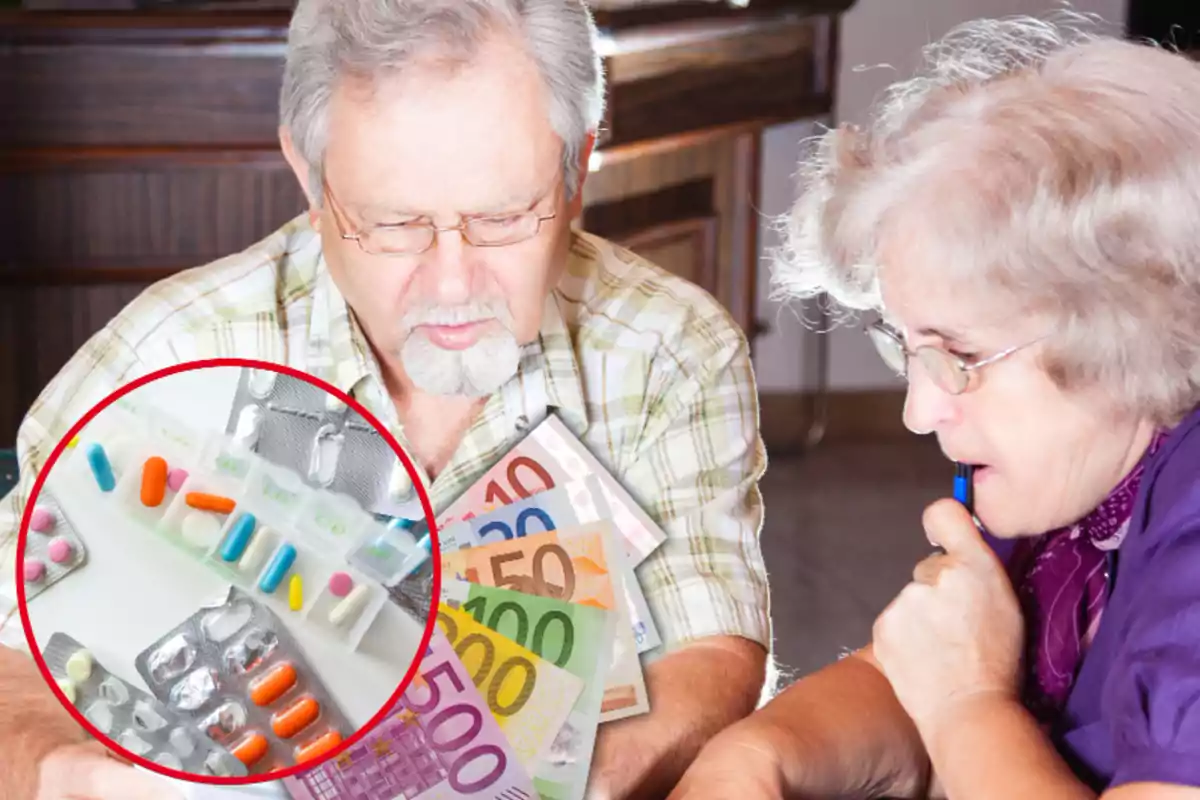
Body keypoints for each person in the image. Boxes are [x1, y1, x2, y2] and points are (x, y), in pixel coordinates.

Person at [0, 1, 771, 797]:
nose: (451, 286)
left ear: (578, 164)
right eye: (395, 224)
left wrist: (583, 788)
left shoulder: (668, 347)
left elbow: (709, 649)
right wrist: (73, 776)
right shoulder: (169, 352)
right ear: (309, 174)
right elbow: (6, 659)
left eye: (503, 218)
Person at [672, 14, 1200, 800]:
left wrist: (969, 705)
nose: (919, 412)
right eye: (909, 349)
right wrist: (753, 758)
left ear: (1124, 330)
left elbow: (953, 691)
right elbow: (918, 665)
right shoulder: (1073, 476)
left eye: (958, 355)